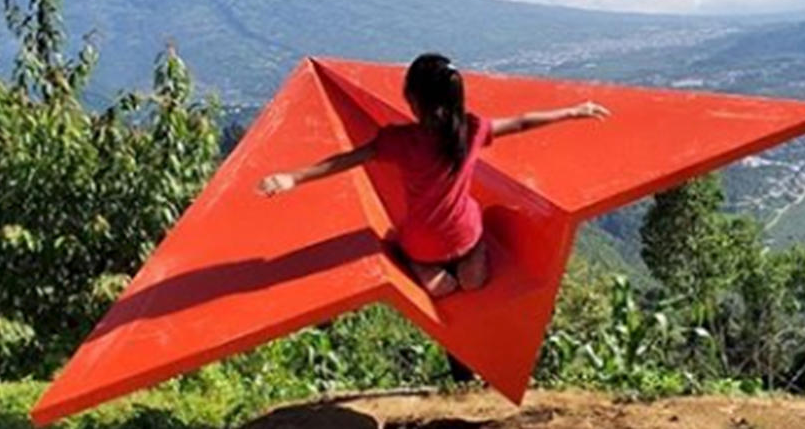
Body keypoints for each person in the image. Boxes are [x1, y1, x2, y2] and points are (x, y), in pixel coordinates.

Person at [258, 53, 610, 298]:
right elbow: (521, 122)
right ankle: (470, 255)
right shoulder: (471, 130)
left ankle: (416, 260)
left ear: (412, 100)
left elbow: (349, 159)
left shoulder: (399, 140)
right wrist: (574, 111)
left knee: (444, 288)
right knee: (473, 284)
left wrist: (294, 177)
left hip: (422, 245)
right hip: (466, 235)